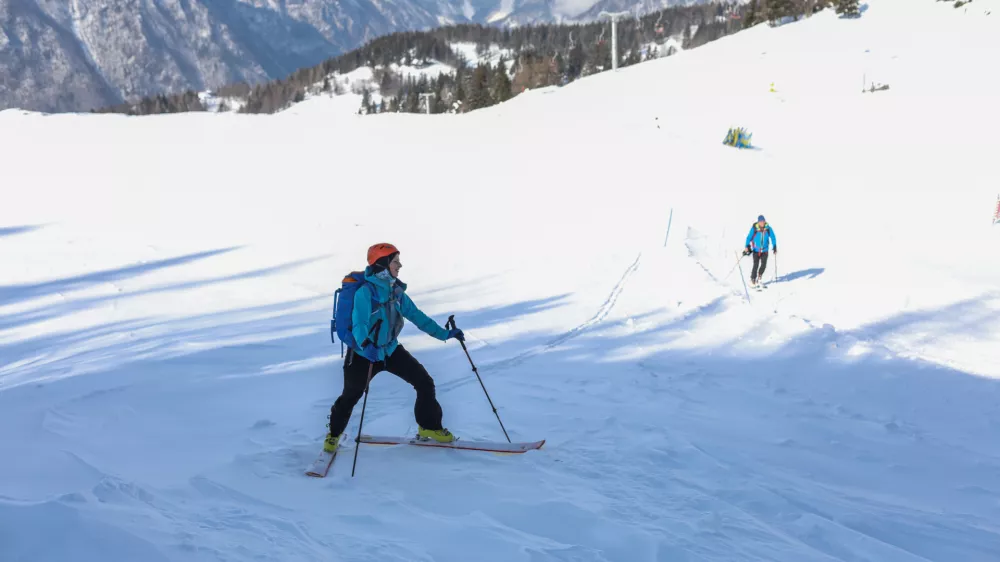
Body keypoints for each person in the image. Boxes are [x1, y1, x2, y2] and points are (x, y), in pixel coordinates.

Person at [324, 243, 465, 452]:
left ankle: (429, 427)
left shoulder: (396, 291)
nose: (400, 265)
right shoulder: (365, 292)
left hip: (390, 350)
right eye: (395, 261)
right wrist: (366, 345)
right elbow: (359, 322)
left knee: (424, 383)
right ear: (382, 264)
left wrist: (445, 334)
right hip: (364, 353)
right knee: (351, 395)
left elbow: (417, 316)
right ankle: (334, 434)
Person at [743, 215, 777, 287]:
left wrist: (774, 246)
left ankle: (759, 276)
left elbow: (773, 237)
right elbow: (749, 237)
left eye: (763, 221)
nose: (762, 223)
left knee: (763, 265)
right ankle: (753, 279)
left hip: (765, 250)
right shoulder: (754, 228)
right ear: (758, 222)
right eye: (760, 221)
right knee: (755, 265)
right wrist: (746, 246)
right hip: (756, 250)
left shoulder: (768, 229)